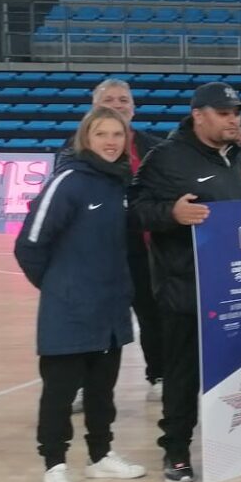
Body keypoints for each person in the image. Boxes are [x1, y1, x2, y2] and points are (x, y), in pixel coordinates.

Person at [134, 82, 241, 482]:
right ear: (198, 115)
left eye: (237, 113)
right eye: (224, 113)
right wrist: (171, 214)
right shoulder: (167, 157)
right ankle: (176, 448)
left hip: (240, 290)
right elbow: (136, 209)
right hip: (187, 288)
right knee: (183, 374)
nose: (233, 119)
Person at [17, 107, 147, 482]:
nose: (111, 141)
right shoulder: (69, 181)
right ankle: (54, 465)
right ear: (85, 139)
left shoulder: (120, 184)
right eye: (102, 134)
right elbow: (29, 244)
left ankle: (100, 456)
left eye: (117, 135)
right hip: (69, 311)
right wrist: (59, 288)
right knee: (59, 393)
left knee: (102, 390)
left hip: (111, 308)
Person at [88, 78, 167, 400]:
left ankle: (159, 375)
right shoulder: (74, 149)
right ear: (95, 108)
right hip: (100, 250)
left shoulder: (156, 147)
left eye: (123, 100)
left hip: (146, 249)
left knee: (153, 315)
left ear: (133, 108)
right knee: (96, 319)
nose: (117, 105)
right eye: (109, 100)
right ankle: (87, 386)